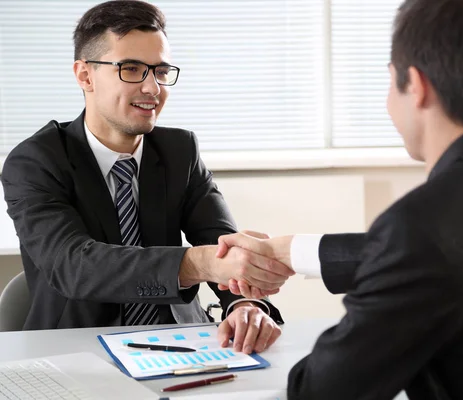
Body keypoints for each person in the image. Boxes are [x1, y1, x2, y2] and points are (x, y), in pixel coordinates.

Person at [216, 0, 463, 398]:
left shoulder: (422, 226)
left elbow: (320, 391)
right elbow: (461, 254)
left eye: (389, 81)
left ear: (416, 86)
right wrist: (290, 252)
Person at [1, 0, 291, 355]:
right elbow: (73, 265)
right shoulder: (36, 160)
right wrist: (198, 263)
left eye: (160, 70)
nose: (153, 88)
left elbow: (222, 243)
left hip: (182, 343)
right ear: (85, 75)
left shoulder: (179, 149)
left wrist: (245, 306)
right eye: (132, 68)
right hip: (75, 349)